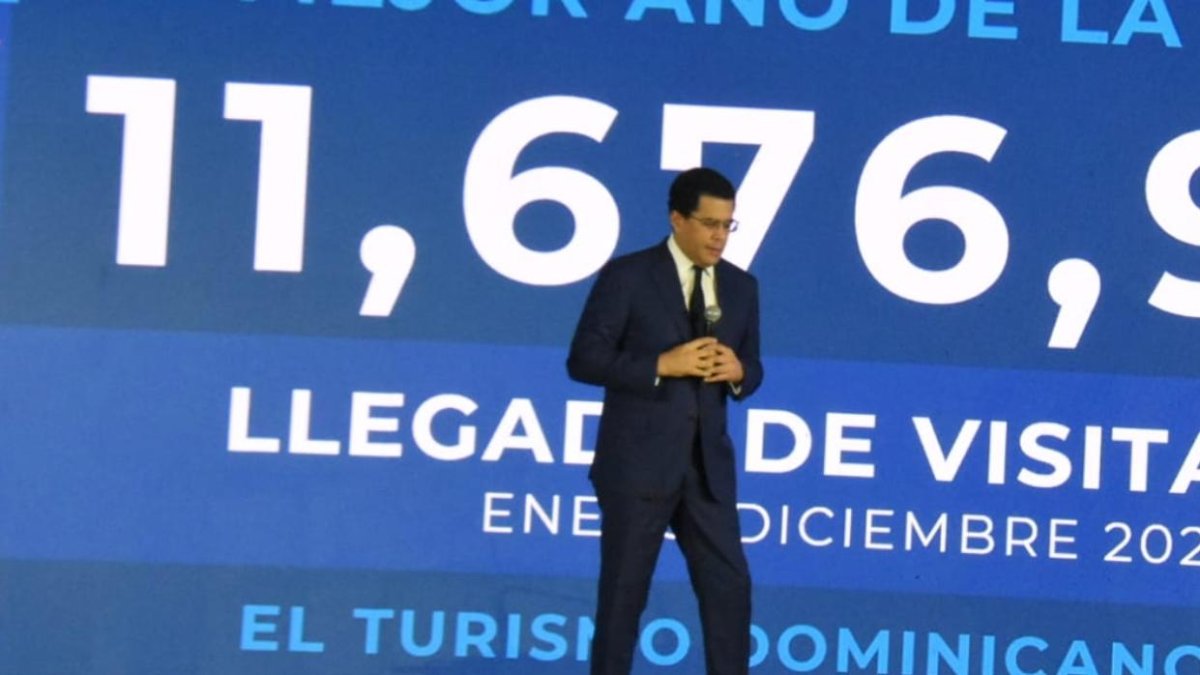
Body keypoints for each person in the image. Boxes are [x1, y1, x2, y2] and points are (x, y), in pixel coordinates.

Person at [567, 167, 763, 675]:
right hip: (638, 469)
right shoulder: (628, 276)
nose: (720, 236)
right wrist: (660, 364)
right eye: (709, 224)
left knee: (730, 591)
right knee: (623, 600)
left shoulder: (741, 287)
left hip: (707, 473)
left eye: (727, 225)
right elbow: (584, 359)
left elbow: (753, 365)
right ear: (677, 219)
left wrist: (740, 373)